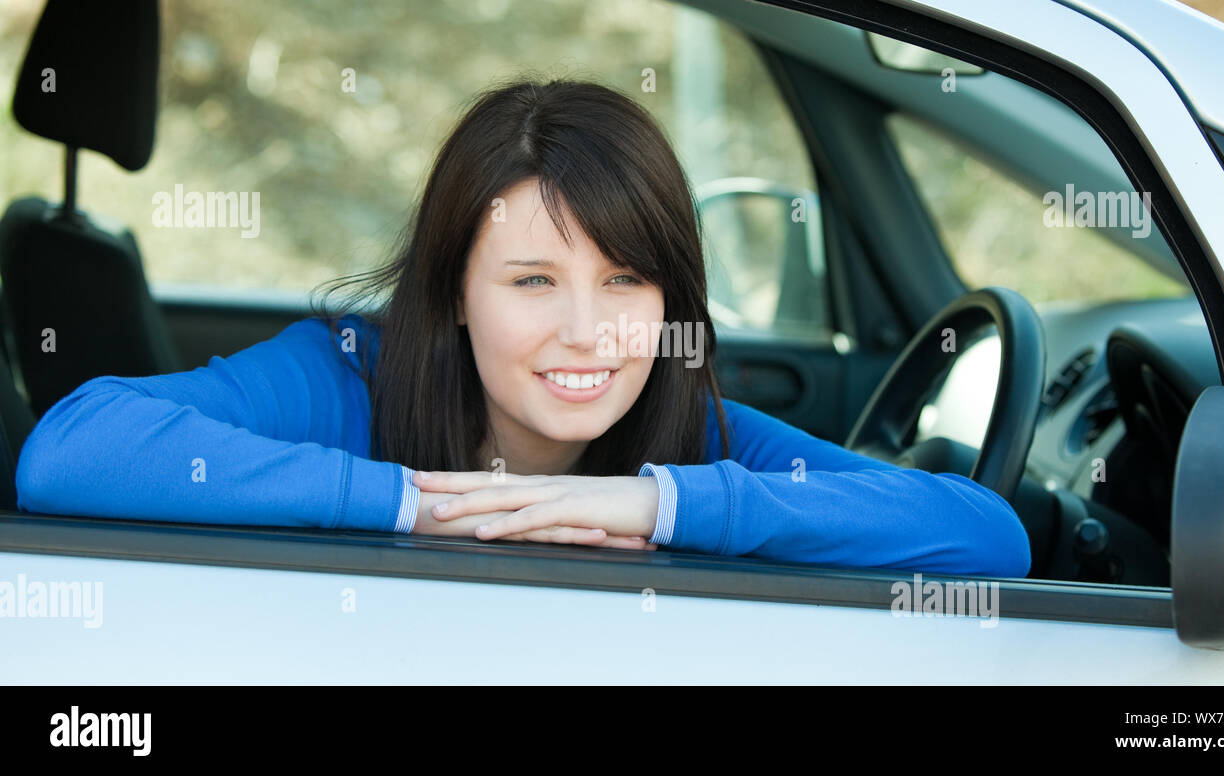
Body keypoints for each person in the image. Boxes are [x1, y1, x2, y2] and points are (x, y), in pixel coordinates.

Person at [14, 78, 1031, 577]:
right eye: (533, 279)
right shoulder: (342, 376)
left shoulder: (696, 436)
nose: (587, 332)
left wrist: (648, 508)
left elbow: (987, 537)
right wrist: (423, 506)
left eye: (627, 280)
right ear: (454, 289)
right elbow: (68, 450)